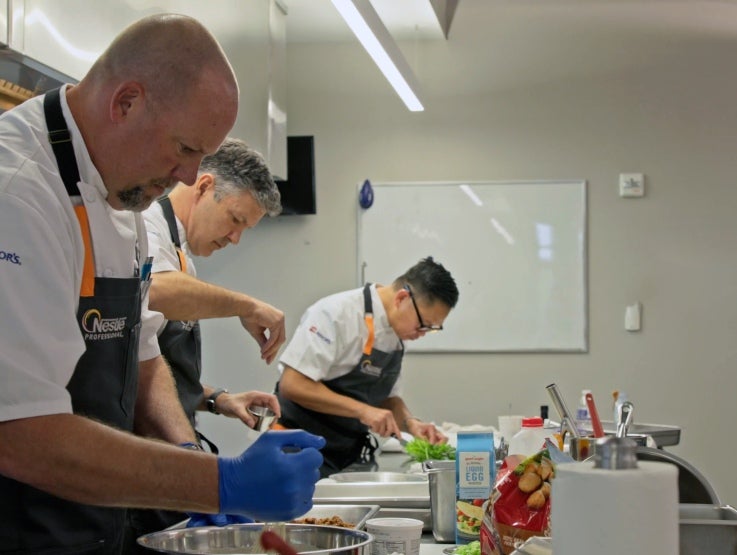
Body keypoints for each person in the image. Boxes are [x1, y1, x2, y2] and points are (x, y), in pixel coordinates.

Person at [0, 14, 323, 554]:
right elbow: (19, 433)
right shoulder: (19, 194)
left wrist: (188, 452)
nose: (184, 176)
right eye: (183, 149)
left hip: (97, 520)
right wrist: (219, 481)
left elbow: (142, 352)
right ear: (125, 102)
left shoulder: (124, 192)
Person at [124, 138, 285, 547]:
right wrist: (244, 305)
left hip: (173, 454)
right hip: (137, 463)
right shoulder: (145, 227)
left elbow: (154, 362)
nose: (235, 239)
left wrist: (217, 399)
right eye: (235, 220)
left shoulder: (183, 259)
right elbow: (155, 291)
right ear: (203, 186)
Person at [275, 257, 459, 476]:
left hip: (345, 453)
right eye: (423, 325)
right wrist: (363, 411)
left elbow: (387, 399)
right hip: (296, 447)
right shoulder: (336, 313)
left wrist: (411, 423)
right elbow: (293, 384)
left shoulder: (397, 336)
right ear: (402, 298)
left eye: (431, 329)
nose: (422, 334)